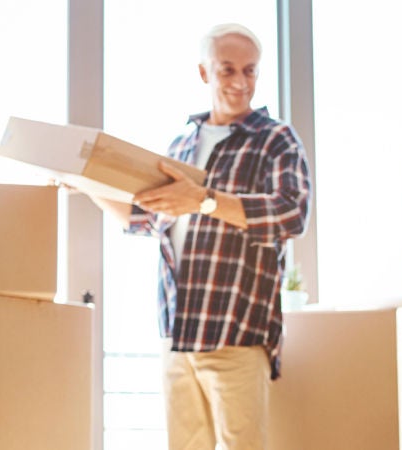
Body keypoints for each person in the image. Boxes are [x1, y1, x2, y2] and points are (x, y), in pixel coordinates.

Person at [88, 23, 310, 450]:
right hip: (178, 338)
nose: (240, 82)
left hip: (238, 336)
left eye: (250, 71)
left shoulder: (275, 140)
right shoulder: (182, 145)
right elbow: (146, 220)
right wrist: (85, 185)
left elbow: (290, 212)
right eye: (227, 70)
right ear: (205, 73)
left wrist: (204, 200)